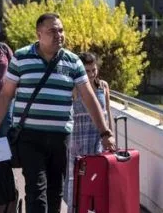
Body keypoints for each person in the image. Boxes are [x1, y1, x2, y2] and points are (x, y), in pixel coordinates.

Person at [0, 13, 116, 213]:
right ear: (39, 34)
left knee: (55, 193)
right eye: (52, 31)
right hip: (29, 137)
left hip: (60, 138)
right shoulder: (21, 57)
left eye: (61, 30)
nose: (59, 35)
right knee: (36, 192)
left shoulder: (73, 62)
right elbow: (5, 95)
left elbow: (89, 98)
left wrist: (105, 133)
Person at [64, 52, 113, 208]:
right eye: (87, 71)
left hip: (98, 139)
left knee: (98, 179)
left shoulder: (103, 86)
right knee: (77, 180)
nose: (91, 74)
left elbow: (107, 113)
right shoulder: (74, 89)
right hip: (78, 140)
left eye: (94, 70)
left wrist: (110, 135)